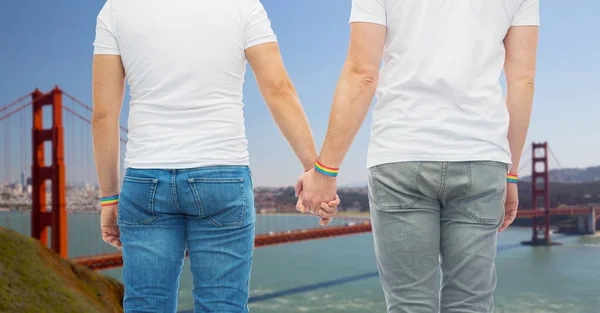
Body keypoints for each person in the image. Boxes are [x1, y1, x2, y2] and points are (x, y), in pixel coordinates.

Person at [91, 0, 338, 312]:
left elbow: (103, 115)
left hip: (145, 179)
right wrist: (313, 170)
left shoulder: (116, 9)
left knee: (145, 304)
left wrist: (109, 197)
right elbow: (279, 90)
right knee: (222, 304)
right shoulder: (244, 6)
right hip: (222, 177)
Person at [297, 0, 539, 312]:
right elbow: (522, 80)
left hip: (400, 153)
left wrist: (325, 170)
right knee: (471, 303)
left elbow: (362, 73)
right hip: (481, 155)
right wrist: (510, 172)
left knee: (409, 304)